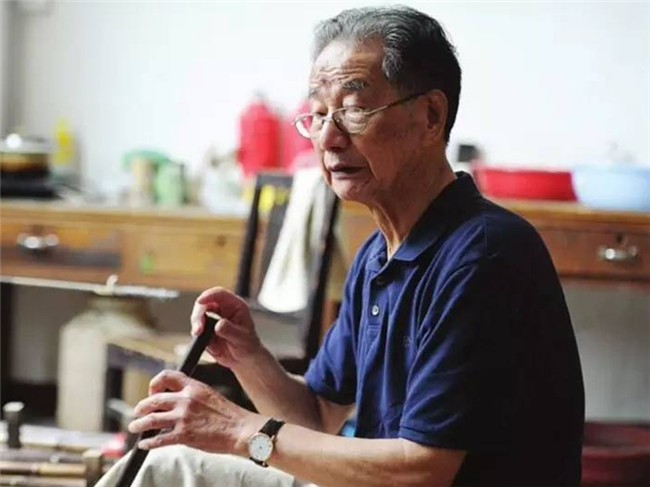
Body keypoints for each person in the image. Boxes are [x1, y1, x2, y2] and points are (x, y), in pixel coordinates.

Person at [97, 5, 584, 487]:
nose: (329, 138)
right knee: (165, 466)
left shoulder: (484, 256)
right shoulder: (378, 255)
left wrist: (236, 430)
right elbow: (316, 417)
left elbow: (423, 471)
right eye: (317, 114)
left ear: (431, 116)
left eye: (353, 110)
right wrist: (247, 356)